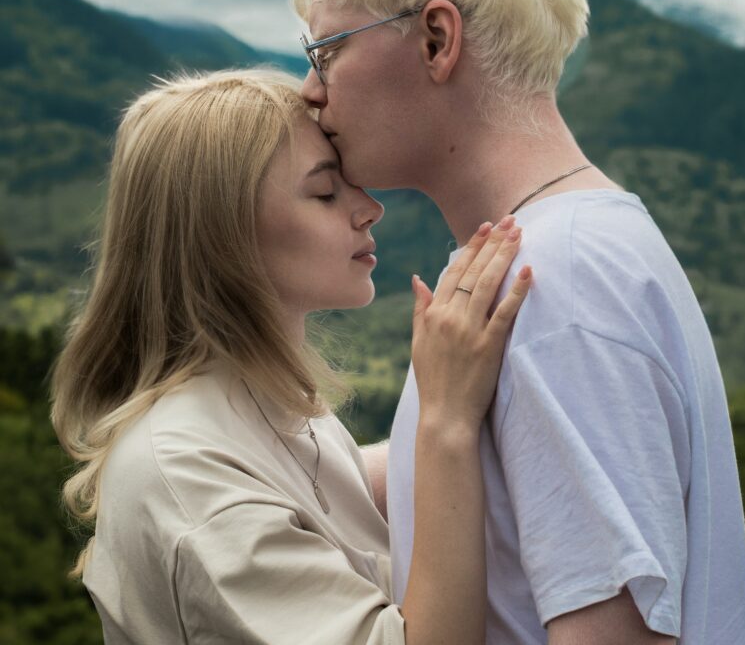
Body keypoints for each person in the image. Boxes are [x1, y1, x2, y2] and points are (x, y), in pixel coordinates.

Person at [294, 0, 745, 644]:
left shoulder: (556, 288)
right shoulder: (557, 258)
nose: (310, 87)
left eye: (326, 49)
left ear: (437, 38)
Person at [51, 68, 532, 645]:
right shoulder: (185, 475)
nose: (369, 208)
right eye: (326, 191)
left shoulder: (260, 405)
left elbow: (333, 485)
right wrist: (446, 420)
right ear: (224, 236)